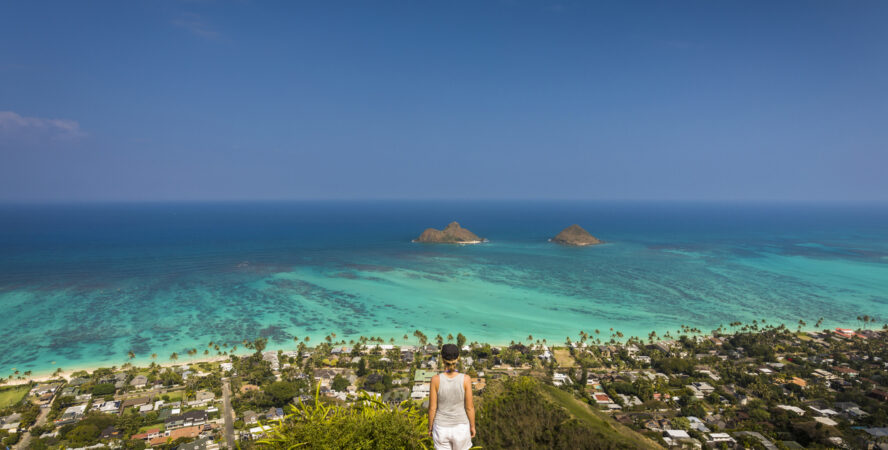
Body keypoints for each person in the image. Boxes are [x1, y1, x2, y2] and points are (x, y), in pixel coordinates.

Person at [428, 343, 476, 450]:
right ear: (458, 358)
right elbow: (469, 407)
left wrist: (430, 427)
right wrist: (472, 426)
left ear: (442, 359)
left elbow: (432, 408)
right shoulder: (466, 379)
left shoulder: (435, 380)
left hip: (441, 428)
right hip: (461, 428)